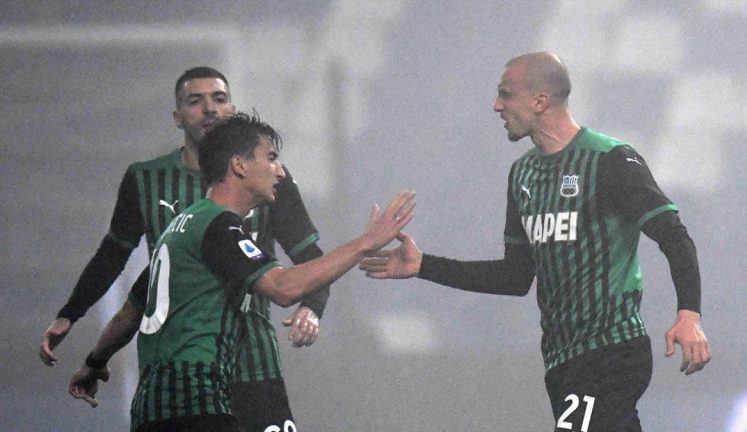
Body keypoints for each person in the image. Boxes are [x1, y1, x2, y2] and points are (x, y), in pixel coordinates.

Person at [359, 51, 711, 431]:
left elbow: (674, 236)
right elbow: (514, 277)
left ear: (540, 100)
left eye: (505, 94)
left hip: (611, 351)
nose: (497, 106)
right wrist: (423, 265)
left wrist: (688, 315)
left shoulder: (610, 160)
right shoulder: (523, 174)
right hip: (562, 363)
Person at [69, 112, 416, 431]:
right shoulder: (218, 227)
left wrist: (95, 363)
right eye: (270, 158)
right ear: (239, 165)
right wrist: (364, 244)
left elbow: (129, 314)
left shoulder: (179, 229)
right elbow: (282, 288)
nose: (280, 171)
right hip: (195, 403)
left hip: (152, 408)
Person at [40, 66, 331, 430]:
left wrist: (313, 308)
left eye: (219, 99)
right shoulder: (146, 179)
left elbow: (310, 259)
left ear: (232, 109)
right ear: (177, 116)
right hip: (185, 371)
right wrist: (72, 313)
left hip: (252, 362)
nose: (209, 109)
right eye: (196, 101)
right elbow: (114, 258)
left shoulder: (271, 181)